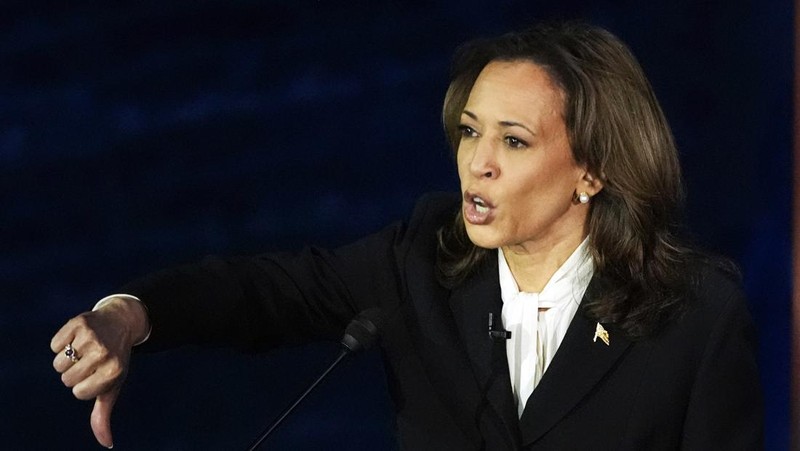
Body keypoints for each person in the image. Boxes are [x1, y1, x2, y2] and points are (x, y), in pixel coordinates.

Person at [51, 22, 762, 450]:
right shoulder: (420, 262)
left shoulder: (692, 312)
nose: (476, 162)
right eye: (469, 131)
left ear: (593, 170)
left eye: (513, 141)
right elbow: (260, 292)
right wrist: (129, 313)